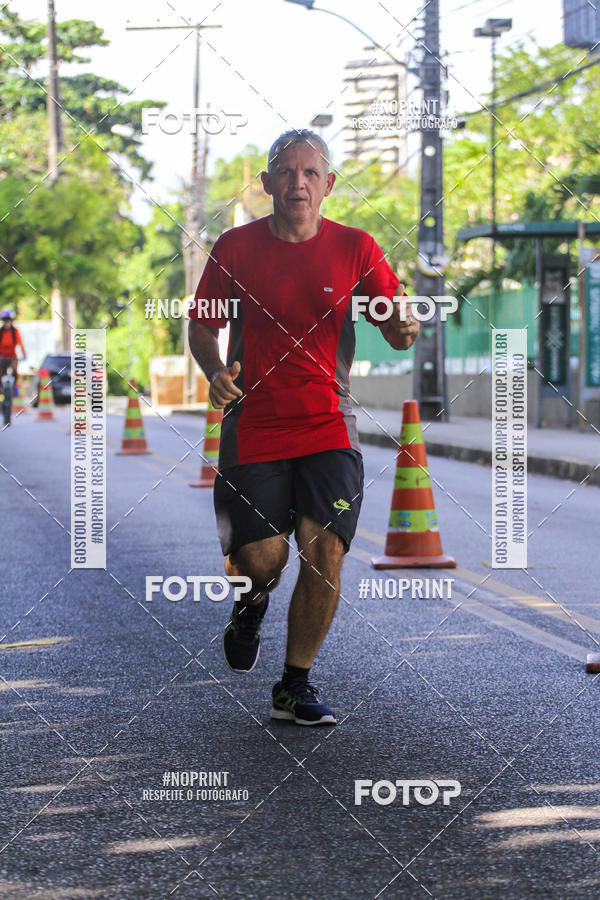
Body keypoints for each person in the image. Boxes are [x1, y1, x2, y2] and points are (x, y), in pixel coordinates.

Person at [188, 129, 419, 726]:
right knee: (262, 559)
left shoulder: (357, 248)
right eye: (285, 172)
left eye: (311, 173)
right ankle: (251, 602)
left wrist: (404, 326)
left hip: (329, 423)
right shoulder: (235, 249)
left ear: (328, 185)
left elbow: (393, 324)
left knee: (326, 553)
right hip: (255, 423)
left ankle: (295, 682)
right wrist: (215, 372)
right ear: (266, 184)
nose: (298, 183)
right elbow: (201, 327)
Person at [0, 309, 26, 393]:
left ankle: (14, 388)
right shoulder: (1, 332)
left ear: (11, 321)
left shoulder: (15, 332)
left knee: (15, 372)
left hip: (12, 356)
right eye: (5, 321)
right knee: (0, 373)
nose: (6, 323)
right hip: (2, 356)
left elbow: (21, 343)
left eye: (8, 321)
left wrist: (24, 354)